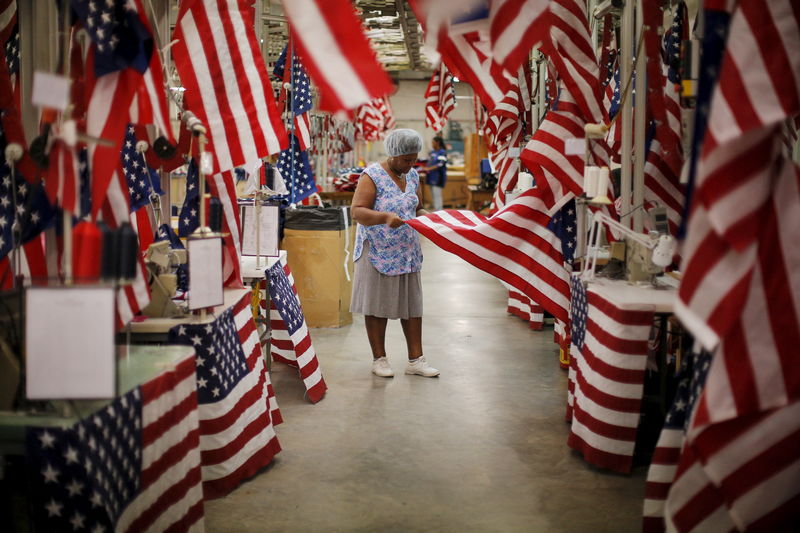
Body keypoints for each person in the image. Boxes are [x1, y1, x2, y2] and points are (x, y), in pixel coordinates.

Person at [349, 129, 439, 378]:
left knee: (412, 305)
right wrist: (385, 217)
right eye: (407, 160)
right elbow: (357, 211)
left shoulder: (413, 176)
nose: (411, 165)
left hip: (406, 250)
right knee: (378, 306)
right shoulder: (372, 175)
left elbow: (417, 208)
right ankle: (379, 359)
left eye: (414, 159)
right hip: (378, 250)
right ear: (393, 154)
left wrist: (432, 220)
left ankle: (416, 360)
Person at [422, 136, 448, 210]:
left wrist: (429, 168)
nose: (432, 144)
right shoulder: (432, 152)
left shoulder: (442, 152)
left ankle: (439, 211)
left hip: (438, 177)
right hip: (430, 176)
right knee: (433, 195)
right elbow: (428, 161)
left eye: (433, 143)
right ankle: (436, 211)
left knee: (437, 195)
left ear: (437, 143)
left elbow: (441, 164)